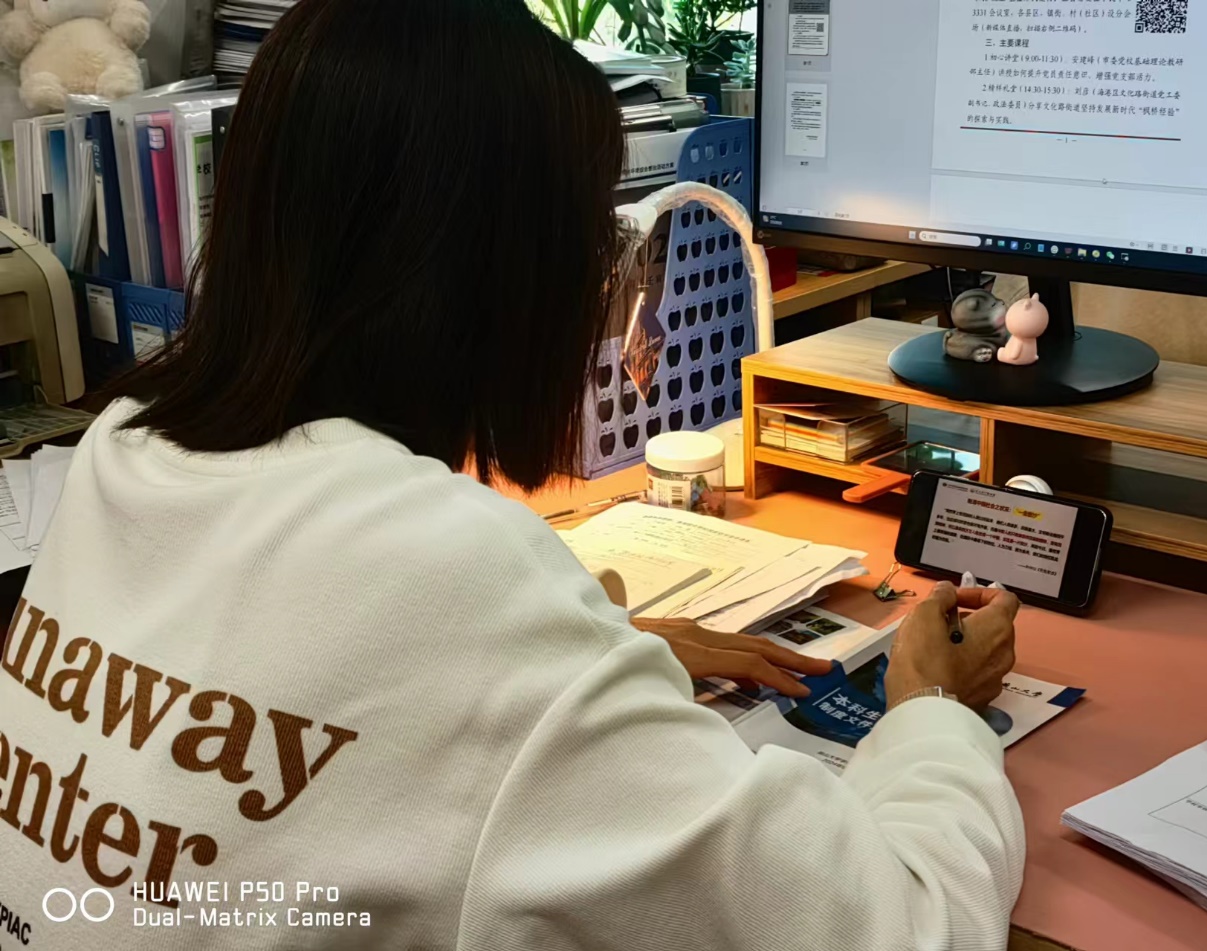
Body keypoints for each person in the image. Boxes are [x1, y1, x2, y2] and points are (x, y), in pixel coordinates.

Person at [0, 0, 1024, 947]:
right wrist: (932, 706)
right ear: (504, 271)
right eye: (594, 237)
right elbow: (908, 926)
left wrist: (580, 667)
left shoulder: (125, 443)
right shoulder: (443, 573)